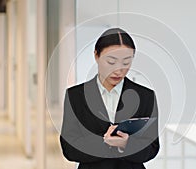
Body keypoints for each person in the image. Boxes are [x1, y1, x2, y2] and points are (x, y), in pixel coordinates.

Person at [60, 28, 159, 169]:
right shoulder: (75, 96)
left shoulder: (145, 96)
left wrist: (126, 145)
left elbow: (152, 148)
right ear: (96, 56)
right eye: (111, 62)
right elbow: (69, 149)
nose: (118, 70)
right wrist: (105, 143)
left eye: (126, 63)